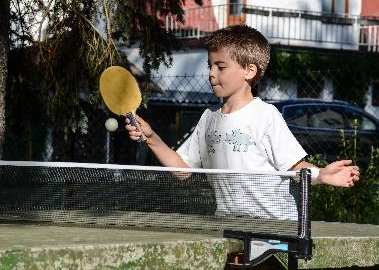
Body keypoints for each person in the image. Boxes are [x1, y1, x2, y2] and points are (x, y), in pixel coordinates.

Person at [125, 25, 359, 219]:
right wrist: (151, 138)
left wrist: (321, 175)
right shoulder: (208, 120)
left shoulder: (266, 116)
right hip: (230, 223)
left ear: (249, 71)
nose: (211, 73)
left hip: (275, 227)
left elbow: (294, 167)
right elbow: (182, 171)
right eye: (210, 65)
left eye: (221, 66)